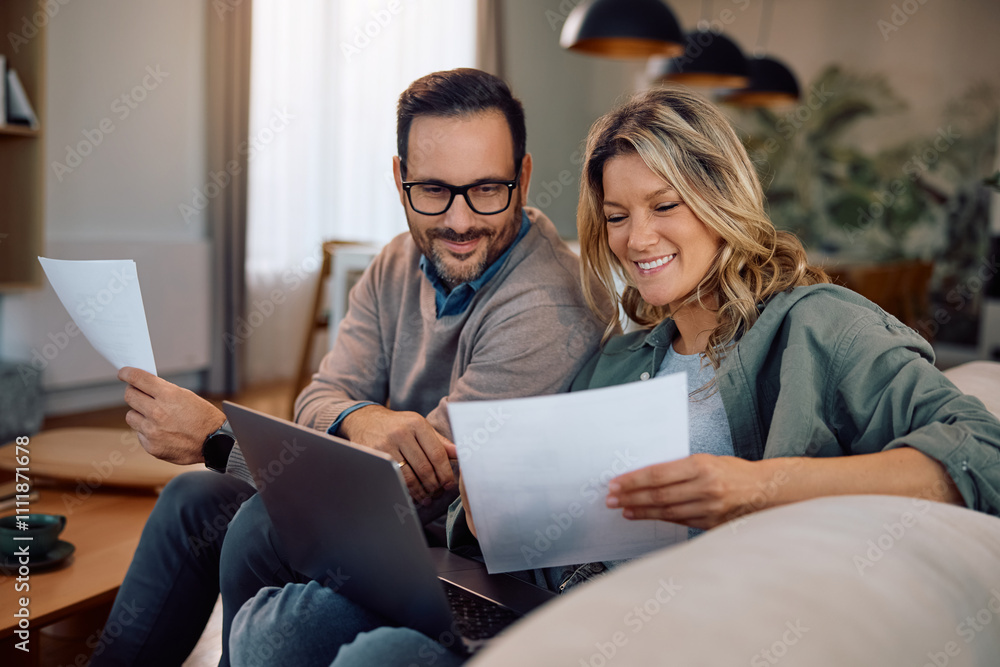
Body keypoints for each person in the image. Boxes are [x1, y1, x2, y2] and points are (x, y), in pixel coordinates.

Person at [230, 86, 1000, 667]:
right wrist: (493, 499)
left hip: (656, 633)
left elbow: (983, 452)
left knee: (373, 658)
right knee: (279, 623)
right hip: (534, 603)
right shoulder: (621, 359)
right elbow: (529, 532)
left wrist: (750, 487)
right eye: (618, 214)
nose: (638, 238)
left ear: (720, 200)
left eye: (664, 205)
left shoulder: (817, 324)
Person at [91, 68, 607, 667]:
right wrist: (362, 419)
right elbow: (319, 396)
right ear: (399, 178)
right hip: (387, 529)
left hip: (458, 555)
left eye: (487, 189)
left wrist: (216, 439)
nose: (461, 222)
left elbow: (414, 490)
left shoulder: (551, 305)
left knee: (259, 529)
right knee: (193, 502)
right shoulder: (396, 262)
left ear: (523, 176)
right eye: (434, 190)